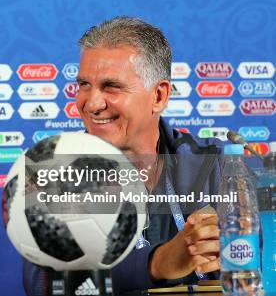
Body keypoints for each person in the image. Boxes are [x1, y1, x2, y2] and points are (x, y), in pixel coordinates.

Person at [23, 17, 222, 295]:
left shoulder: (217, 164)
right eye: (83, 85)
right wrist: (159, 263)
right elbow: (46, 282)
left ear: (159, 95)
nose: (92, 103)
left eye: (111, 87)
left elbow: (259, 258)